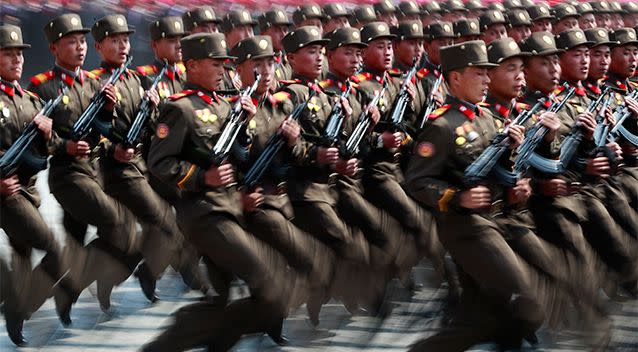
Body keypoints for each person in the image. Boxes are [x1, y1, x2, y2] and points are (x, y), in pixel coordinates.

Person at [405, 40, 543, 351]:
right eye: (478, 74)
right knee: (527, 296)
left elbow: (498, 170)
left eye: (487, 74)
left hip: (496, 220)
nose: (486, 80)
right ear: (455, 78)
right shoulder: (441, 126)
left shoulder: (489, 118)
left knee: (478, 321)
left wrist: (515, 178)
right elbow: (417, 180)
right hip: (467, 229)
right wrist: (456, 198)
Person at [0, 23, 74, 346]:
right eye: (7, 54)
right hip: (7, 194)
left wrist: (47, 134)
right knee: (55, 251)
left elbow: (52, 147)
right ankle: (20, 308)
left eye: (19, 54)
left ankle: (15, 315)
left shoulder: (29, 99)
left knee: (22, 257)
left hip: (27, 191)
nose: (17, 60)